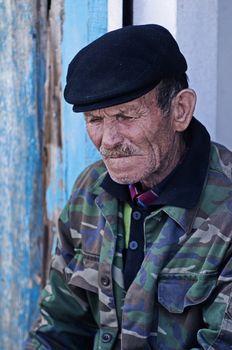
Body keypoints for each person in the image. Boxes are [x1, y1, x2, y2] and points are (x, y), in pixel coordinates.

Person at [25, 24, 232, 349]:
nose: (108, 141)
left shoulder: (227, 210)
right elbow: (58, 328)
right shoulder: (90, 189)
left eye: (125, 116)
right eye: (95, 120)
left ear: (180, 110)